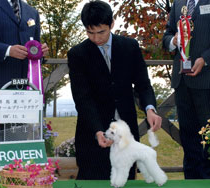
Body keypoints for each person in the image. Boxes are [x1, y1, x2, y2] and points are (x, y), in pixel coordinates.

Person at [68, 0, 162, 180]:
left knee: (124, 180)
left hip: (127, 135)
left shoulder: (130, 47)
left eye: (101, 32)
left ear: (111, 24)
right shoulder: (77, 54)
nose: (96, 38)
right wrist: (97, 131)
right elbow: (82, 98)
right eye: (90, 32)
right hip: (92, 135)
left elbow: (143, 84)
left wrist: (150, 108)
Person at [162, 0, 210, 179]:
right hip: (181, 82)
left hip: (208, 82)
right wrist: (172, 40)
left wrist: (205, 59)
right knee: (188, 143)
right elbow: (167, 35)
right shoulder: (178, 3)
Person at [0, 0, 48, 179]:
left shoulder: (32, 12)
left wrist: (41, 51)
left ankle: (13, 181)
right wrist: (7, 50)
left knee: (15, 147)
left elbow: (34, 49)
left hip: (22, 95)